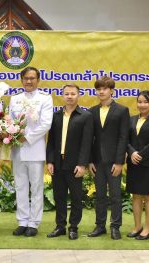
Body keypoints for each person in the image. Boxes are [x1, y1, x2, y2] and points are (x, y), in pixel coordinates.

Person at [9, 66, 53, 237]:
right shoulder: (15, 99)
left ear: (38, 80)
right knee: (20, 186)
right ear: (22, 80)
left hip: (35, 149)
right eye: (26, 78)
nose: (29, 81)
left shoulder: (45, 98)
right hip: (17, 149)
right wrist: (13, 135)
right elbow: (10, 121)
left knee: (36, 187)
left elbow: (45, 124)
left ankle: (34, 223)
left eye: (32, 78)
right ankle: (22, 221)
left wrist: (26, 137)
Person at [46, 84, 93, 240]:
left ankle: (73, 227)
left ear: (78, 95)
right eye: (67, 93)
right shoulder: (56, 116)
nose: (70, 96)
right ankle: (60, 226)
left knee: (76, 198)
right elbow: (51, 141)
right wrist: (50, 161)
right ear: (63, 95)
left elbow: (87, 143)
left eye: (73, 93)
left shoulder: (85, 116)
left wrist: (82, 164)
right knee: (59, 197)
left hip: (75, 165)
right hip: (58, 164)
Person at [88, 76, 130, 240]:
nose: (101, 92)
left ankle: (115, 226)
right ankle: (100, 226)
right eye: (98, 89)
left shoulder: (122, 110)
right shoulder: (92, 111)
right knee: (99, 195)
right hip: (97, 161)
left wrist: (119, 162)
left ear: (111, 90)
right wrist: (90, 160)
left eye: (104, 89)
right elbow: (90, 138)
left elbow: (123, 138)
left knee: (115, 195)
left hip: (114, 161)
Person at [126, 90, 149, 240]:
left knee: (148, 196)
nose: (141, 105)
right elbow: (125, 140)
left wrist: (140, 154)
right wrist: (131, 152)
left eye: (145, 102)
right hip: (133, 162)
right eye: (139, 102)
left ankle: (148, 229)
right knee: (135, 196)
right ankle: (137, 227)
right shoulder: (130, 120)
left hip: (148, 163)